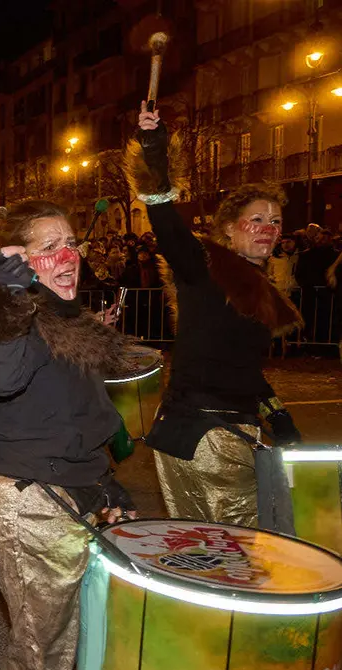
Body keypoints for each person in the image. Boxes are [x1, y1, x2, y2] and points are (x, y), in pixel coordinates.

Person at [0, 200, 136, 670]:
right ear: (19, 259)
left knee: (58, 630)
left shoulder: (68, 319)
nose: (68, 255)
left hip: (68, 486)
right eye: (49, 247)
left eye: (71, 243)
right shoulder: (20, 319)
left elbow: (82, 414)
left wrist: (106, 483)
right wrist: (8, 295)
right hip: (25, 499)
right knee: (49, 647)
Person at [132, 104, 303, 527]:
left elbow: (243, 366)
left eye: (276, 221)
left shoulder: (261, 291)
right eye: (257, 219)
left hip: (223, 429)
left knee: (210, 548)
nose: (269, 228)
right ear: (228, 228)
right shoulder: (204, 266)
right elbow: (166, 222)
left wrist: (276, 412)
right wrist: (154, 150)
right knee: (249, 544)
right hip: (206, 434)